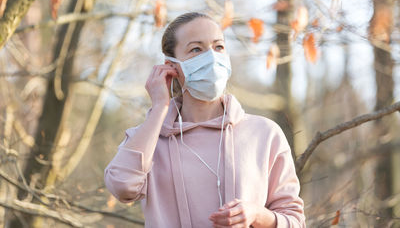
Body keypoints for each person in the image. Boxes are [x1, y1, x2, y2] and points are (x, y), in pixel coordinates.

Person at [104, 12, 306, 228]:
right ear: (172, 66)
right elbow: (122, 186)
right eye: (196, 49)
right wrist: (160, 108)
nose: (211, 57)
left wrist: (257, 215)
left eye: (218, 47)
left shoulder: (265, 134)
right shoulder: (149, 138)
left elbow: (295, 221)